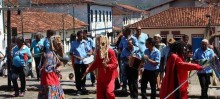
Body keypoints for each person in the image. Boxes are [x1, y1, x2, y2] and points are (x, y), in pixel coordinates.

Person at [38, 30, 65, 99]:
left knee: (52, 79)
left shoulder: (56, 40)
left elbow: (61, 54)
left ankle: (52, 96)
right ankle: (47, 96)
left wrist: (59, 46)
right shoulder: (44, 40)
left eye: (50, 34)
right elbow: (42, 50)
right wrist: (43, 52)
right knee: (47, 80)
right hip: (47, 62)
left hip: (52, 62)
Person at [70, 30, 92, 95]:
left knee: (83, 74)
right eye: (80, 36)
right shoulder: (73, 43)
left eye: (82, 36)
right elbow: (71, 53)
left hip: (84, 61)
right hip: (77, 62)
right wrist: (76, 57)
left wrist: (89, 54)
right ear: (77, 36)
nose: (82, 37)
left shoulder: (85, 42)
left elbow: (90, 50)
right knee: (77, 75)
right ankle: (78, 89)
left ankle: (83, 86)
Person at [119, 27, 138, 92]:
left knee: (133, 76)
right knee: (124, 73)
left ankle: (133, 89)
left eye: (124, 31)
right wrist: (123, 54)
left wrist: (133, 56)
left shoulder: (134, 38)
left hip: (132, 59)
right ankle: (124, 87)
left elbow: (136, 48)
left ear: (128, 32)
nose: (123, 32)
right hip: (125, 58)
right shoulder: (122, 38)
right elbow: (120, 47)